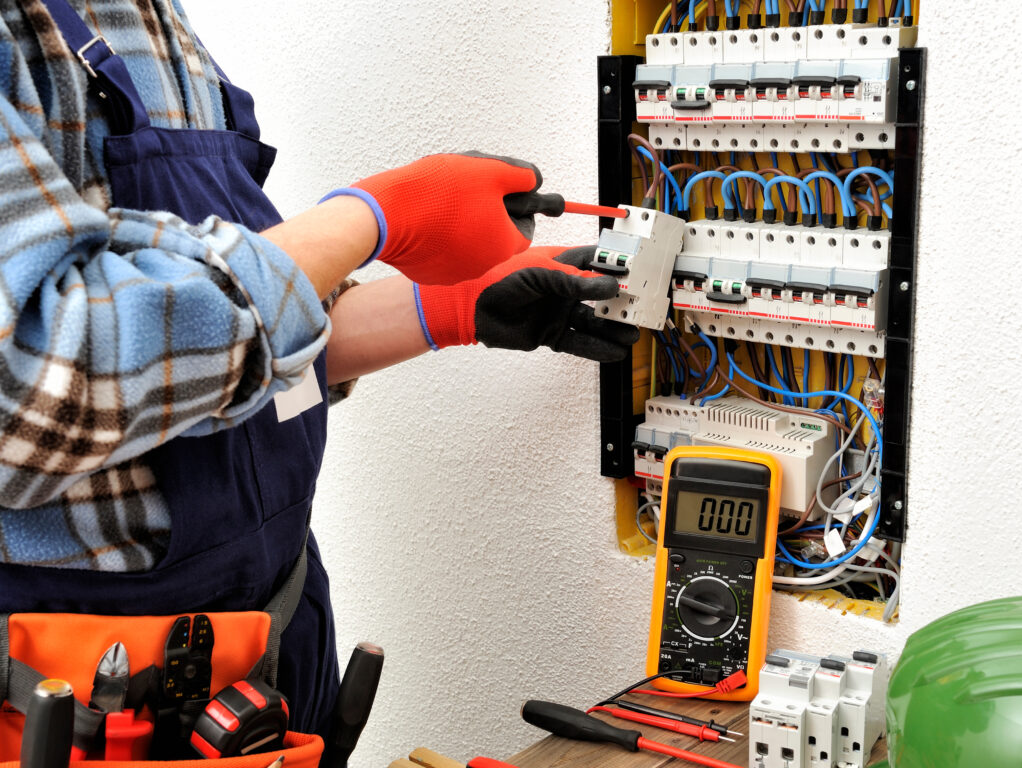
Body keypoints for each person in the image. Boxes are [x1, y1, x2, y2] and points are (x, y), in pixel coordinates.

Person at [0, 0, 637, 759]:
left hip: (274, 636)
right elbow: (37, 382)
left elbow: (225, 352)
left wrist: (450, 307)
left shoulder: (151, 20)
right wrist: (371, 219)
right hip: (83, 697)